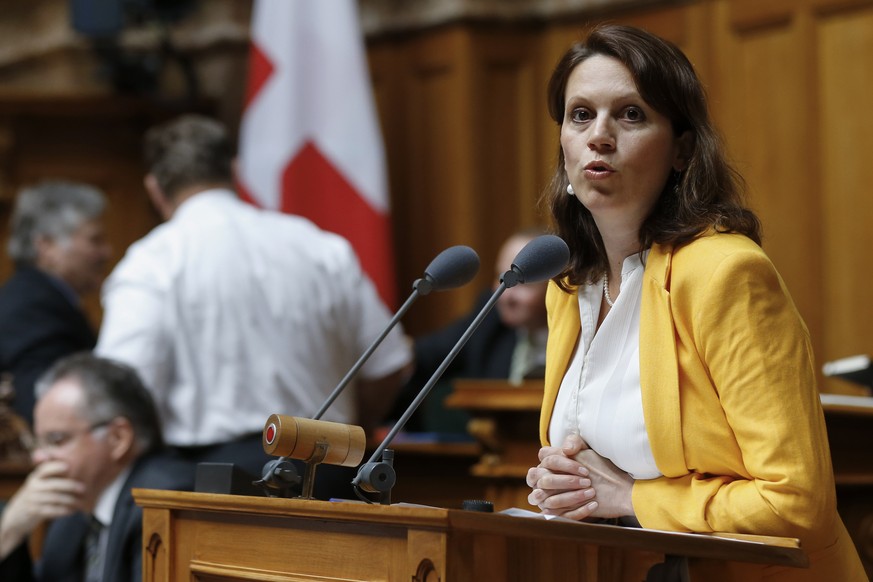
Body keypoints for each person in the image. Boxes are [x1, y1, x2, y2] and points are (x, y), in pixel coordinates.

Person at [524, 24, 865, 580]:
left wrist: (632, 498)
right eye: (580, 115)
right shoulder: (570, 286)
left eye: (631, 114)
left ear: (682, 149)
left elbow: (797, 503)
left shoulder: (726, 274)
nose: (599, 136)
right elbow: (596, 472)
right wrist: (561, 485)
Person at [95, 114, 413, 494]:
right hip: (332, 475)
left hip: (214, 482)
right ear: (234, 170)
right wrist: (346, 429)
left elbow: (121, 393)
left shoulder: (152, 263)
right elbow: (389, 364)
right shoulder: (321, 248)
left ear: (154, 189)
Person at [0, 353, 193, 582]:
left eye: (56, 440)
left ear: (117, 438)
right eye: (37, 442)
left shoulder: (166, 502)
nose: (39, 458)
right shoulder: (72, 510)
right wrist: (10, 530)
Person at [390, 229, 549, 432]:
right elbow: (426, 355)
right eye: (501, 278)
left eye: (521, 284)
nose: (505, 295)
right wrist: (385, 355)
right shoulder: (490, 316)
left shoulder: (580, 332)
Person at [0, 181, 111, 427]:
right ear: (46, 246)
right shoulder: (33, 306)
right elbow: (41, 404)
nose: (107, 252)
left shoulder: (43, 297)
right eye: (95, 240)